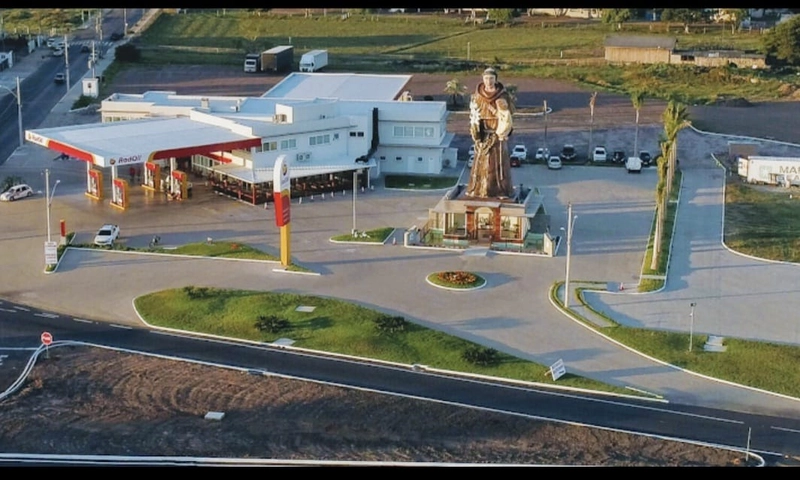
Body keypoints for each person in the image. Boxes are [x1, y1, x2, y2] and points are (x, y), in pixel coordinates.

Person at [465, 67, 515, 199]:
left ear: (496, 79)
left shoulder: (502, 95)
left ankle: (500, 190)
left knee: (497, 164)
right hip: (483, 134)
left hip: (497, 135)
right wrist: (475, 130)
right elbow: (474, 113)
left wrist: (505, 129)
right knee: (480, 164)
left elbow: (508, 115)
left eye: (491, 78)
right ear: (483, 79)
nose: (489, 81)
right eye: (486, 78)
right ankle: (477, 190)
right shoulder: (477, 95)